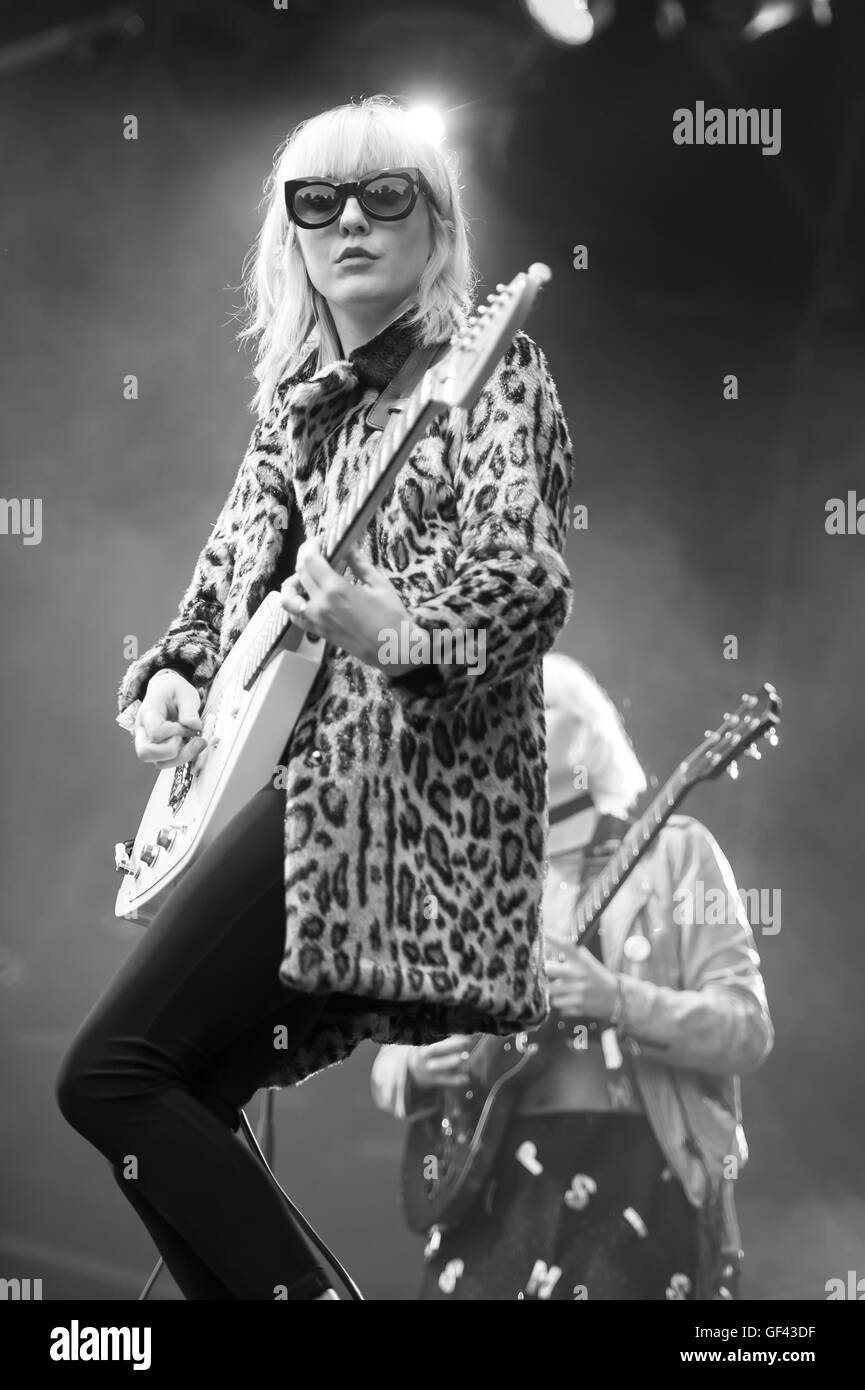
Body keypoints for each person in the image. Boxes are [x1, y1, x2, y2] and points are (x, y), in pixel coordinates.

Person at [54, 96, 574, 1300]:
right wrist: (173, 689)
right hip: (297, 799)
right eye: (316, 201)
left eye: (383, 194)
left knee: (109, 1077)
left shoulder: (488, 372)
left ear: (436, 225)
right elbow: (205, 615)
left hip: (397, 816)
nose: (349, 221)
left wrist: (396, 629)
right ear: (287, 236)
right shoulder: (291, 410)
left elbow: (525, 584)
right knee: (172, 1101)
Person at [371, 653, 774, 1300]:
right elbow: (389, 1058)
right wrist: (418, 1066)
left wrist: (616, 999)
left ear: (588, 732)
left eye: (532, 703)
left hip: (631, 1177)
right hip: (487, 1183)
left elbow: (746, 1030)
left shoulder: (674, 851)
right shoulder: (472, 882)